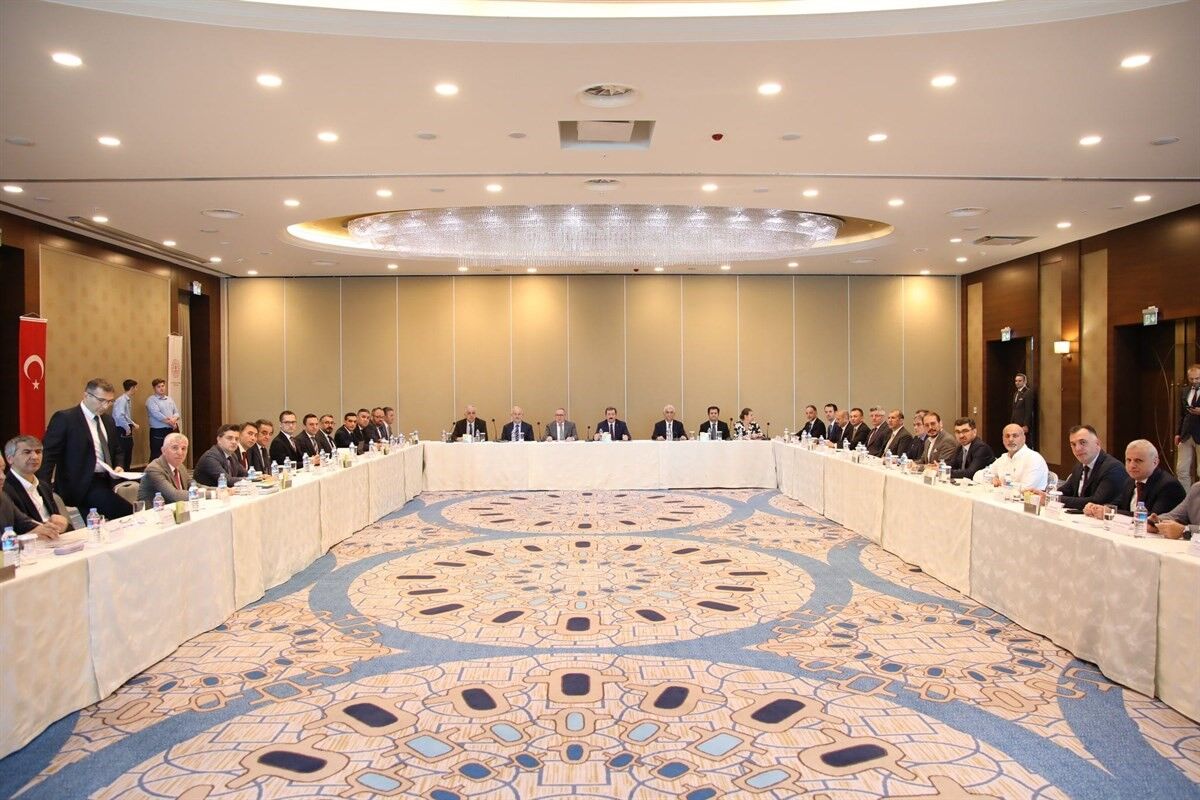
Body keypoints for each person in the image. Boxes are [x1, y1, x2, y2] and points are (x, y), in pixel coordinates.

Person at [39, 377, 133, 519]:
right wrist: (44, 492)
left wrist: (119, 466)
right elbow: (47, 457)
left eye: (109, 401)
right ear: (86, 396)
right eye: (101, 400)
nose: (105, 406)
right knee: (127, 512)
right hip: (80, 483)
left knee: (97, 525)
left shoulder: (108, 420)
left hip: (106, 481)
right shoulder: (66, 418)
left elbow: (117, 450)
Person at [1085, 440, 1185, 519]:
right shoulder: (1130, 481)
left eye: (1138, 461)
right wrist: (1098, 508)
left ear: (1155, 462)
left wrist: (1111, 512)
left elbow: (1152, 518)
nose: (1132, 465)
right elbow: (1118, 505)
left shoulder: (1169, 486)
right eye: (1128, 460)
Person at [3, 435, 72, 535]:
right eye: (27, 452)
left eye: (38, 452)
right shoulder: (4, 489)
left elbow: (59, 521)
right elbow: (12, 530)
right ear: (10, 459)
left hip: (54, 538)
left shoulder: (44, 486)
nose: (35, 457)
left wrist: (64, 525)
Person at [1055, 425, 1129, 510]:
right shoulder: (1079, 466)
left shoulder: (1113, 468)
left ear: (1097, 443)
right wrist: (1048, 495)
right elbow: (1065, 491)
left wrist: (1056, 499)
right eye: (1073, 444)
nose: (1077, 448)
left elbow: (1096, 501)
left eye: (1083, 442)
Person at [975, 423, 1049, 490]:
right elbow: (977, 475)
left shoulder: (1034, 458)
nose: (1010, 439)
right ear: (1003, 440)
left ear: (1024, 438)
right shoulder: (1003, 458)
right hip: (1002, 498)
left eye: (1015, 436)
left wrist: (1001, 484)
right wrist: (992, 479)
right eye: (1007, 436)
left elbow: (1026, 488)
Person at [139, 432, 191, 503]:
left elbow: (192, 484)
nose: (180, 453)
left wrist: (207, 490)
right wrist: (203, 493)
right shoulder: (153, 469)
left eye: (183, 448)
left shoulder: (180, 466)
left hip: (175, 508)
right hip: (154, 509)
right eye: (175, 448)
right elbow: (174, 496)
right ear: (163, 450)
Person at [1176, 363, 1200, 490]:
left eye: (1197, 378)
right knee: (1181, 470)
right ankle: (1184, 498)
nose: (1194, 381)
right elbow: (1181, 414)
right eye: (1192, 379)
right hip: (1186, 434)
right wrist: (1177, 433)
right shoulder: (1185, 390)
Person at [145, 377, 181, 461]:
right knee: (157, 455)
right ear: (154, 388)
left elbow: (176, 413)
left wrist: (174, 419)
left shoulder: (169, 399)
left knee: (172, 454)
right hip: (158, 431)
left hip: (171, 430)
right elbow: (157, 415)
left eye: (163, 386)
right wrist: (171, 422)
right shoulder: (151, 400)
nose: (161, 388)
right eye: (159, 387)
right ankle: (153, 469)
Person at [111, 378, 139, 470]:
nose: (136, 389)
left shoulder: (126, 400)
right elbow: (119, 416)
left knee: (128, 453)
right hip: (122, 429)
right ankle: (123, 475)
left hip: (125, 427)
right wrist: (127, 428)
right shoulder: (122, 400)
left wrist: (133, 423)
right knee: (124, 454)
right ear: (132, 388)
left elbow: (125, 415)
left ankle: (126, 472)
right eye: (135, 387)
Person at [1011, 373, 1037, 449]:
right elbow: (1015, 409)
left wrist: (1026, 425)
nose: (1017, 383)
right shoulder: (1016, 393)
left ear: (1025, 381)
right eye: (1016, 381)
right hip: (1016, 423)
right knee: (1017, 444)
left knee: (1025, 444)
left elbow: (1029, 410)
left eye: (1020, 381)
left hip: (1023, 424)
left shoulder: (1028, 393)